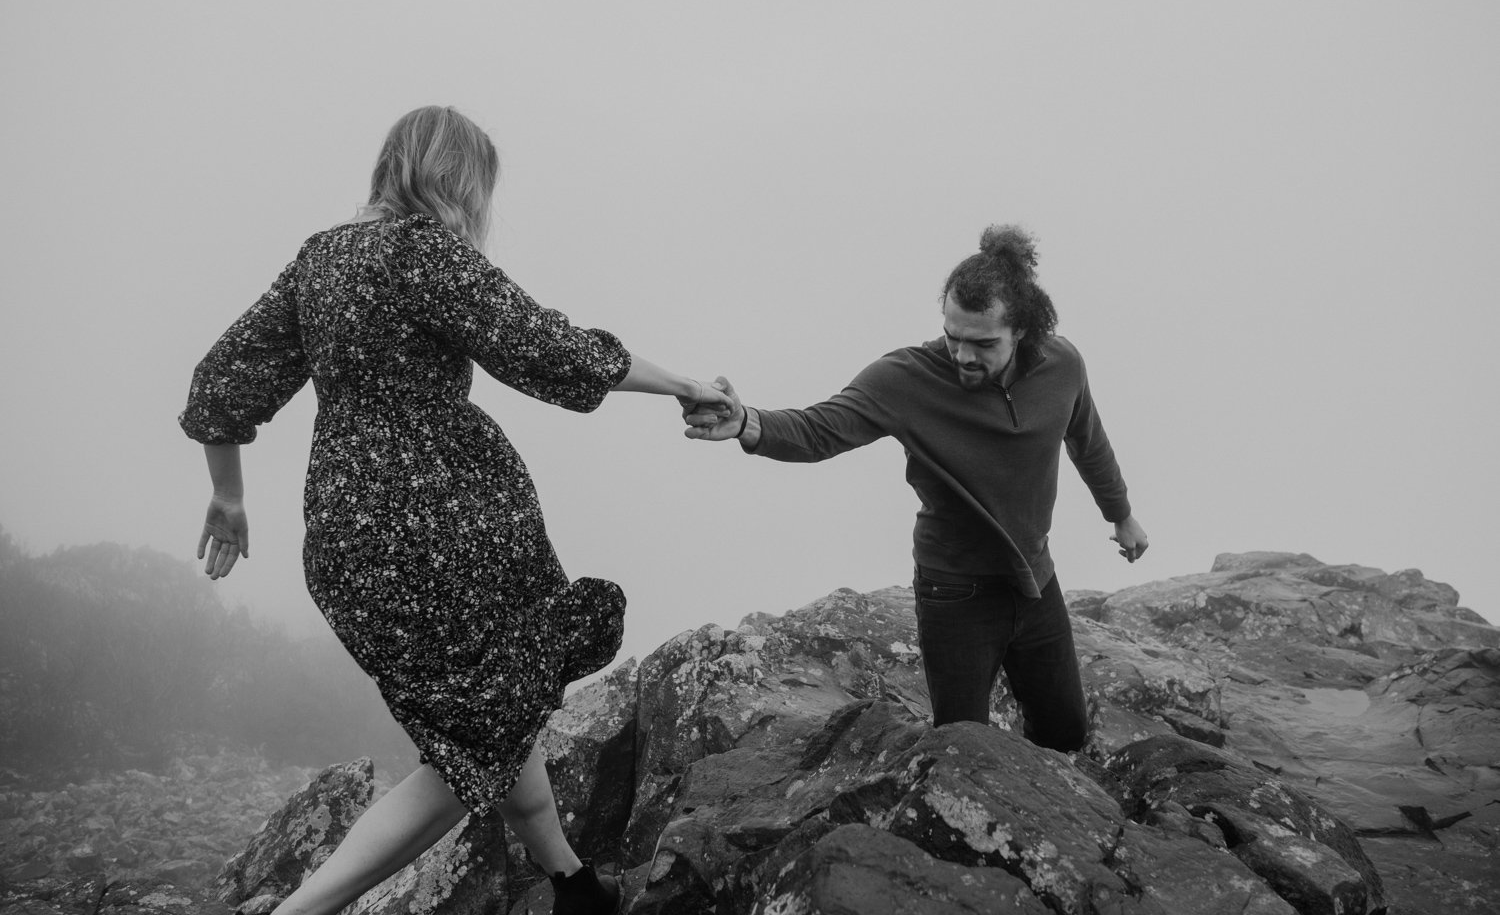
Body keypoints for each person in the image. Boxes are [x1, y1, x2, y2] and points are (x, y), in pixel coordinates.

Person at [180, 106, 728, 915]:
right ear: (456, 181)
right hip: (447, 529)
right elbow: (548, 348)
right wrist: (683, 384)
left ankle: (573, 884)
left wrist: (227, 495)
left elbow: (220, 384)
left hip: (345, 535)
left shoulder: (319, 260)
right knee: (476, 741)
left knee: (494, 713)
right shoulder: (422, 251)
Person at [684, 225, 1147, 751]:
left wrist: (1121, 514)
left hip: (1036, 581)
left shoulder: (1064, 366)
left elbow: (1088, 440)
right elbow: (818, 429)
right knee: (963, 747)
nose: (964, 356)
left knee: (1066, 733)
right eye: (953, 337)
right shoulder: (907, 378)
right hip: (956, 592)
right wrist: (748, 423)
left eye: (983, 344)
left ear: (1022, 329)